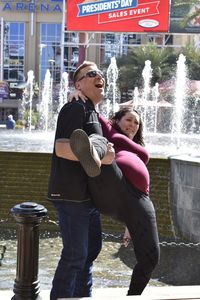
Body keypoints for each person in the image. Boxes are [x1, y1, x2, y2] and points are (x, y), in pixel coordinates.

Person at [57, 101, 160, 295]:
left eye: (136, 123)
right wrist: (80, 97)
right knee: (105, 146)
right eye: (128, 120)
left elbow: (144, 183)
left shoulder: (136, 146)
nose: (132, 125)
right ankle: (92, 155)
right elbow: (92, 111)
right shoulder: (110, 130)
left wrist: (130, 224)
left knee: (151, 257)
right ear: (117, 120)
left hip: (137, 200)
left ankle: (133, 296)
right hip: (110, 186)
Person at [47, 61, 115, 299]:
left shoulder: (92, 112)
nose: (101, 77)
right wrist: (103, 155)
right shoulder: (74, 108)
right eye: (93, 74)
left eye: (101, 74)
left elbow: (110, 157)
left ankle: (81, 296)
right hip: (71, 194)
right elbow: (62, 148)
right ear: (78, 84)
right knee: (76, 255)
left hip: (89, 195)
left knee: (89, 253)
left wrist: (106, 155)